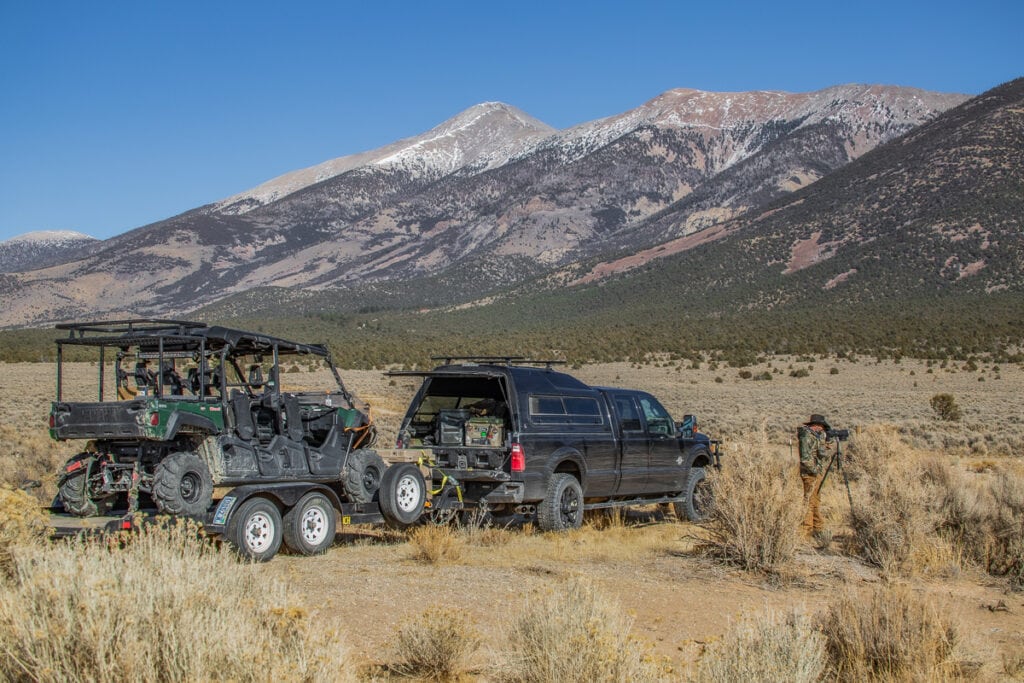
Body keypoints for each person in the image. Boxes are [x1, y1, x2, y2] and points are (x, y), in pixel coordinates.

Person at [798, 413, 833, 536]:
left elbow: (820, 452)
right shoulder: (806, 437)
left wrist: (827, 441)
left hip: (814, 472)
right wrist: (816, 469)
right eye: (822, 427)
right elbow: (805, 458)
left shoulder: (814, 436)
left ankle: (817, 527)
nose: (823, 429)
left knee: (815, 500)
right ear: (817, 425)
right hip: (809, 473)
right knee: (809, 502)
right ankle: (806, 531)